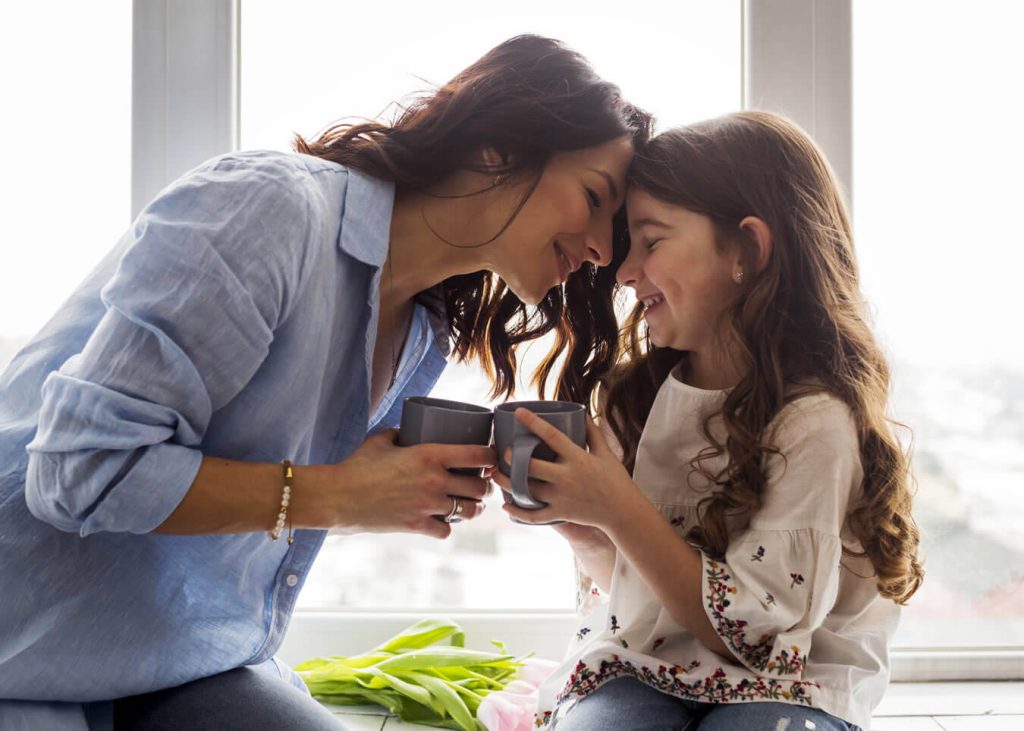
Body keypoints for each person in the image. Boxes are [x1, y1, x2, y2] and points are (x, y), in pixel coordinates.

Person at [0, 34, 651, 730]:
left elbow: (260, 501)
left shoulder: (421, 332)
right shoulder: (270, 211)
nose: (602, 252)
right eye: (593, 197)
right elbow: (80, 468)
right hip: (32, 645)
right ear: (499, 146)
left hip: (179, 660)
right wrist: (342, 494)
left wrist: (394, 494)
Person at [495, 110, 924, 730]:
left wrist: (617, 506)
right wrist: (582, 523)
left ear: (747, 249)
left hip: (790, 684)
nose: (623, 271)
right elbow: (635, 583)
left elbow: (761, 641)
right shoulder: (634, 399)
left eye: (652, 241)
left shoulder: (814, 423)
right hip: (648, 665)